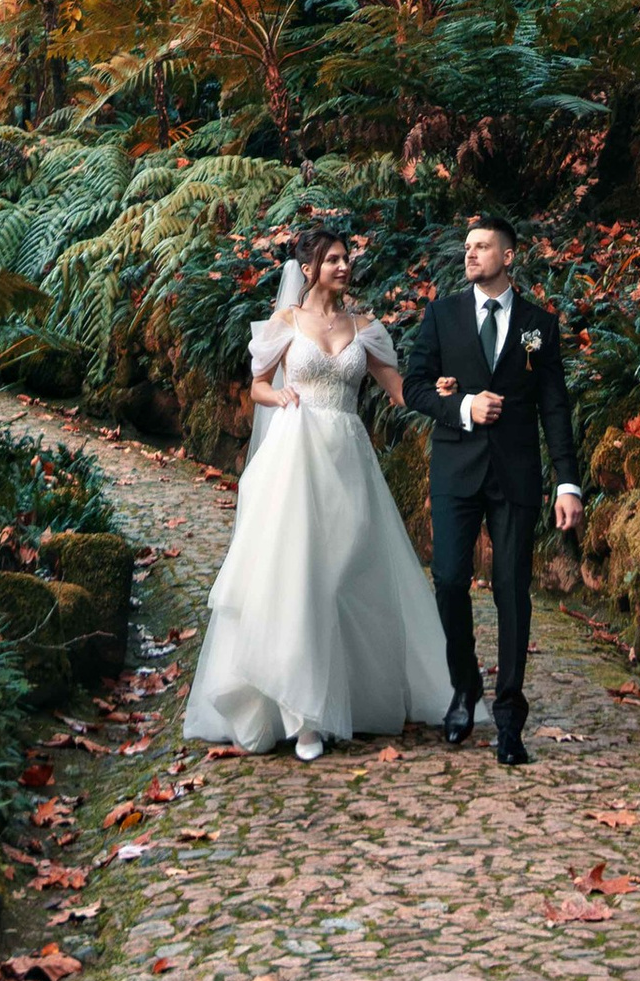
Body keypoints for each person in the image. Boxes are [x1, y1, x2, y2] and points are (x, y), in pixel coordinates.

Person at [182, 220, 456, 760]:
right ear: (308, 269)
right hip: (296, 454)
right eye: (332, 258)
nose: (343, 265)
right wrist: (278, 399)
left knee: (341, 576)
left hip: (347, 457)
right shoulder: (285, 322)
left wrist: (437, 392)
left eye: (345, 257)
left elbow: (398, 391)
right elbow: (259, 384)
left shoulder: (365, 326)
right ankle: (302, 717)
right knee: (299, 577)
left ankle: (340, 699)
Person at [402, 211, 582, 768]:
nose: (471, 254)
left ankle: (509, 717)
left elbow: (555, 407)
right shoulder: (443, 315)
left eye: (482, 247)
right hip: (456, 469)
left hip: (516, 474)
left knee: (511, 591)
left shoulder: (539, 325)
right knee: (451, 582)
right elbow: (412, 386)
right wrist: (461, 406)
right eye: (467, 247)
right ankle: (464, 688)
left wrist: (568, 482)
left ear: (509, 257)